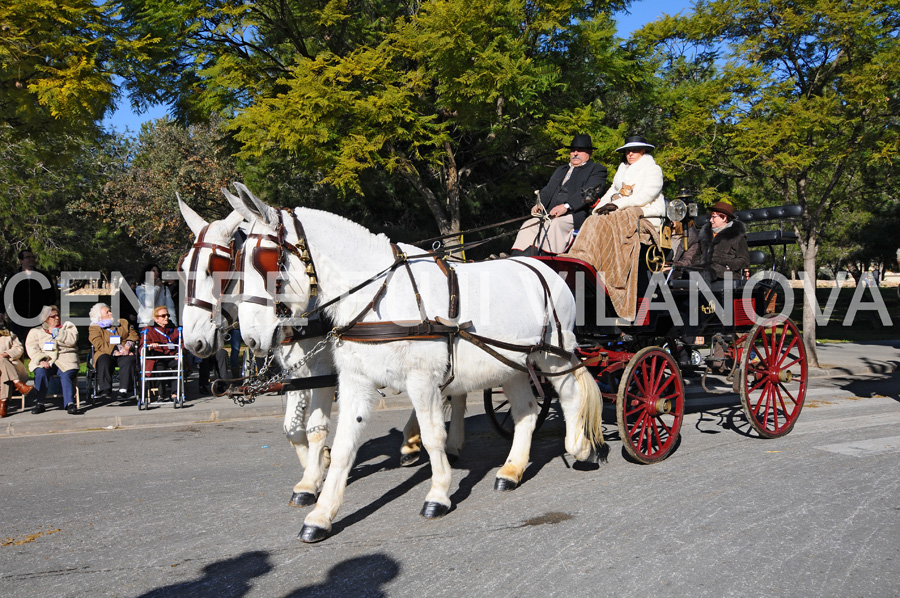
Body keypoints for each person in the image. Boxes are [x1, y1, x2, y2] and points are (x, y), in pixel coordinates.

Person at [510, 134, 608, 256]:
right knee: (529, 224)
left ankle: (546, 258)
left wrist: (566, 206)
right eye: (573, 150)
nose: (575, 153)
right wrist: (539, 204)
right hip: (550, 213)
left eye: (580, 150)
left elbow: (590, 192)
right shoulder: (561, 169)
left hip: (575, 214)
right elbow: (547, 189)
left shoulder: (596, 169)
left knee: (556, 225)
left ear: (589, 153)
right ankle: (518, 258)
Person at [589, 135, 666, 223]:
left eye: (635, 150)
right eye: (628, 151)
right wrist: (601, 207)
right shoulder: (621, 170)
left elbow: (645, 197)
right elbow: (611, 191)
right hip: (619, 212)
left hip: (646, 214)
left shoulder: (653, 169)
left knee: (610, 223)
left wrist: (617, 204)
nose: (630, 154)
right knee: (593, 220)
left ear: (643, 151)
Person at [25, 305, 79, 414]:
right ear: (44, 319)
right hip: (46, 360)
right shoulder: (35, 332)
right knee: (40, 372)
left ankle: (70, 403)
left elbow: (72, 341)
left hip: (65, 359)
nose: (56, 318)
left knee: (67, 374)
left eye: (57, 315)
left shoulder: (67, 327)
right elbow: (32, 348)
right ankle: (40, 403)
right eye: (52, 316)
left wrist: (57, 332)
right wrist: (41, 360)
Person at [2, 248, 57, 343]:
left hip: (39, 314)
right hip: (18, 314)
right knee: (18, 340)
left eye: (32, 257)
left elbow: (51, 295)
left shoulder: (43, 276)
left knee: (39, 338)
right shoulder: (13, 277)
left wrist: (49, 310)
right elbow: (4, 296)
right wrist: (2, 311)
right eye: (28, 257)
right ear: (21, 260)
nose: (31, 259)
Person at [88, 302, 139, 400]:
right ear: (99, 317)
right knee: (103, 360)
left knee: (128, 360)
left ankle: (123, 390)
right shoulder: (95, 327)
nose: (110, 313)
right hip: (105, 351)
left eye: (110, 311)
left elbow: (134, 335)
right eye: (107, 312)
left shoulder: (123, 322)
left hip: (124, 350)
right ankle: (105, 389)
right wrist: (114, 351)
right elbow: (97, 342)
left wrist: (127, 347)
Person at [692, 201, 750, 282]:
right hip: (705, 269)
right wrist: (697, 265)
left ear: (724, 218)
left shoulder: (737, 236)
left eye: (714, 217)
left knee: (708, 273)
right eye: (711, 217)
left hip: (727, 273)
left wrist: (725, 264)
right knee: (686, 273)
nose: (711, 220)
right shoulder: (705, 235)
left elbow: (743, 259)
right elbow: (697, 255)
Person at [140, 305, 181, 401]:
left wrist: (178, 352)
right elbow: (142, 345)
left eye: (167, 315)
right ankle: (161, 394)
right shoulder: (149, 330)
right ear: (156, 319)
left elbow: (181, 343)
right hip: (157, 357)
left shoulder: (174, 329)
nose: (166, 317)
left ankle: (174, 393)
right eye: (163, 316)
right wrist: (150, 346)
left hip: (171, 356)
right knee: (160, 367)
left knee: (178, 365)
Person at [0, 312, 30, 417]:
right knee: (2, 364)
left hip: (10, 366)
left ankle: (3, 403)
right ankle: (17, 384)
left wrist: (6, 354)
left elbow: (19, 349)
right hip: (10, 371)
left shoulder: (9, 335)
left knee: (3, 363)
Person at [136, 264, 177, 328]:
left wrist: (174, 325)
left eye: (157, 271)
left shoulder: (165, 289)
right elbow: (149, 303)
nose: (156, 273)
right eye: (153, 271)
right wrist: (157, 287)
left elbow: (170, 307)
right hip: (146, 324)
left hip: (162, 325)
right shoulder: (140, 288)